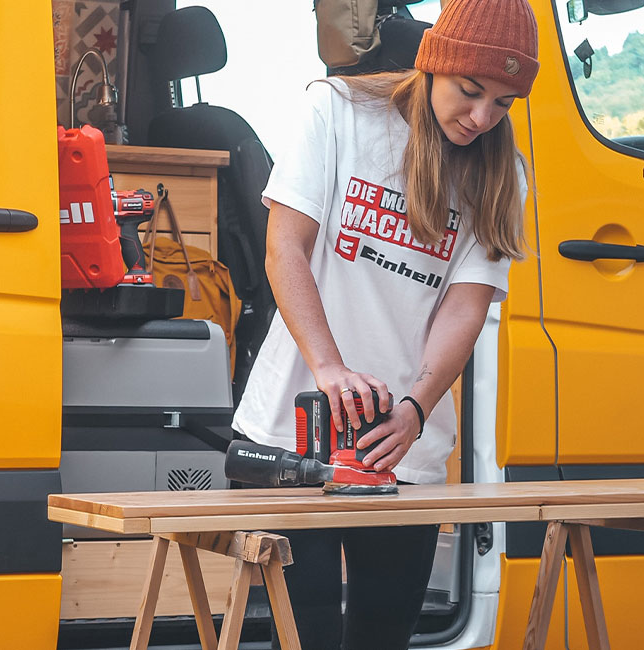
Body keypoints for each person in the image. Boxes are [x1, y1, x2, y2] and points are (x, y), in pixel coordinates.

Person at [231, 0, 539, 647]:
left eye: (504, 104)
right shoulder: (338, 112)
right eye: (471, 90)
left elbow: (467, 304)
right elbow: (284, 247)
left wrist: (417, 408)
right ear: (434, 64)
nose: (482, 118)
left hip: (402, 449)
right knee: (304, 635)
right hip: (296, 430)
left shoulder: (502, 171)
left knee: (381, 636)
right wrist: (330, 368)